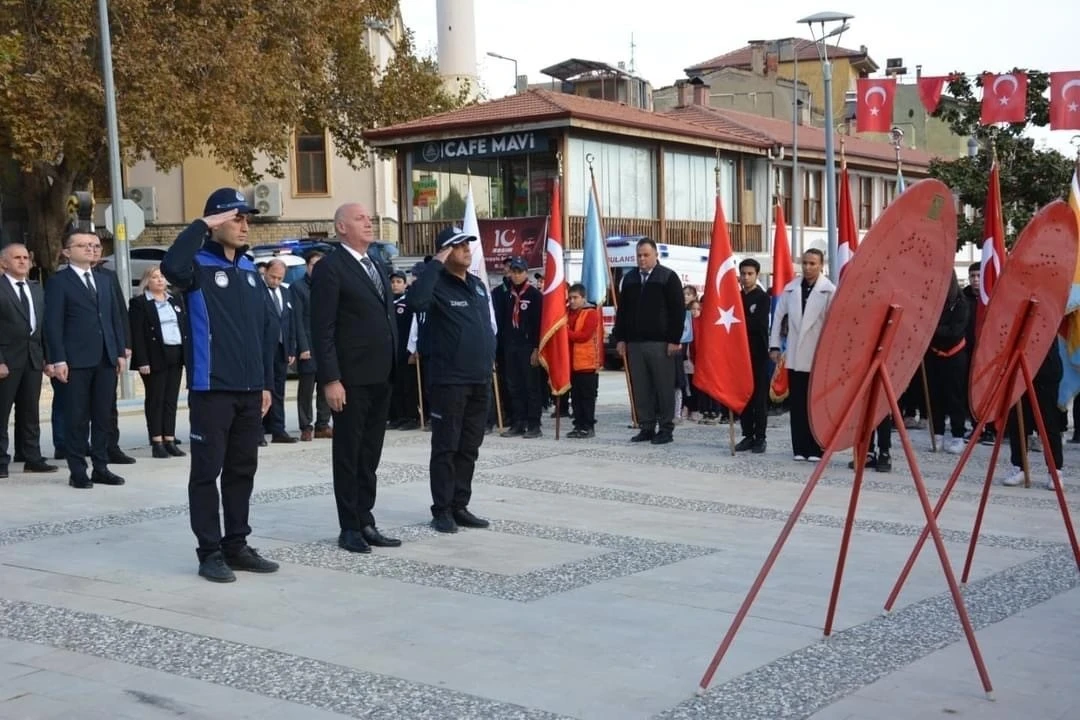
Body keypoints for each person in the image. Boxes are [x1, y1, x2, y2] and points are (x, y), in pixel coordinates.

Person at [162, 187, 279, 582]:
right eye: (237, 217)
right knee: (206, 471)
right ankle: (209, 551)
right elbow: (169, 268)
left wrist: (264, 383)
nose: (245, 225)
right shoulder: (195, 265)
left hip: (249, 389)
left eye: (247, 218)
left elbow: (262, 331)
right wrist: (200, 225)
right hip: (211, 388)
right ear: (216, 222)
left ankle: (236, 544)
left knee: (242, 469)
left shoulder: (249, 270)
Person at [311, 203, 401, 554]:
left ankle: (366, 519)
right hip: (350, 379)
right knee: (349, 454)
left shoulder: (376, 263)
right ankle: (349, 526)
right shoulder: (332, 268)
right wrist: (331, 378)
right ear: (341, 227)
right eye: (361, 219)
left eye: (369, 218)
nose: (369, 222)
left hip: (381, 375)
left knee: (370, 454)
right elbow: (323, 329)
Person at [407, 226, 496, 533]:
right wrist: (434, 264)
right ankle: (441, 509)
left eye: (467, 244)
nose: (466, 249)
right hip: (449, 380)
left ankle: (460, 504)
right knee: (446, 446)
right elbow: (415, 302)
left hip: (479, 378)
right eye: (458, 246)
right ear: (445, 252)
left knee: (470, 446)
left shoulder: (476, 284)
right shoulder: (435, 284)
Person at [44, 228, 128, 489]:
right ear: (67, 252)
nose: (92, 249)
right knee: (77, 417)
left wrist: (118, 351)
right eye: (84, 245)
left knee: (104, 415)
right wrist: (58, 359)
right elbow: (53, 324)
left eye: (94, 245)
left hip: (104, 358)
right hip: (75, 360)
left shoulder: (104, 280)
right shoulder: (59, 282)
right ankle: (77, 469)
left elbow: (113, 318)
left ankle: (101, 467)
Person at [611, 238, 685, 445]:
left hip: (660, 344)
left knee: (663, 387)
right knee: (641, 388)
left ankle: (666, 428)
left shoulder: (668, 277)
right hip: (635, 344)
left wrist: (674, 339)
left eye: (646, 255)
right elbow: (623, 312)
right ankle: (646, 426)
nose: (642, 259)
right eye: (639, 256)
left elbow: (678, 311)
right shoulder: (630, 278)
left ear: (655, 255)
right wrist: (621, 338)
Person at [769, 249, 835, 461]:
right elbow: (778, 319)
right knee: (797, 403)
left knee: (814, 404)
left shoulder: (829, 291)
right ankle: (799, 447)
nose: (807, 267)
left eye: (812, 264)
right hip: (796, 356)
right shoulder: (791, 289)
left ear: (821, 266)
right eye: (805, 263)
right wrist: (775, 346)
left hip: (817, 355)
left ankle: (816, 447)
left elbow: (834, 326)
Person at [0, 243, 57, 478]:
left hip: (33, 358)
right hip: (7, 360)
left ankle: (32, 456)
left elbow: (43, 326)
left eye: (26, 257)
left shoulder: (36, 289)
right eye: (17, 258)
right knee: (2, 412)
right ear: (4, 263)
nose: (23, 261)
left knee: (30, 412)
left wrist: (48, 358)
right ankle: (1, 460)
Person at [128, 266, 187, 459]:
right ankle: (157, 440)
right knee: (156, 399)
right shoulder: (140, 303)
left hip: (175, 352)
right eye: (154, 277)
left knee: (171, 400)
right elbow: (137, 334)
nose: (160, 280)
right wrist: (142, 360)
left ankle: (169, 438)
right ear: (147, 281)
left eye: (162, 276)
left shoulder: (174, 300)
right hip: (154, 356)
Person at [494, 256, 543, 438]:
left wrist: (537, 348)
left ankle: (534, 424)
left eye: (519, 272)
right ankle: (518, 422)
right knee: (513, 386)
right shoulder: (507, 294)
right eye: (513, 271)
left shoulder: (534, 295)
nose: (515, 275)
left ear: (526, 273)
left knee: (531, 386)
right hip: (511, 345)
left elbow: (539, 324)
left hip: (528, 346)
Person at [1002, 345, 1063, 489]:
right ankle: (1018, 466)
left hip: (1046, 366)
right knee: (1017, 420)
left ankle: (1055, 471)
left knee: (1049, 422)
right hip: (1019, 365)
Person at [925, 273, 969, 454]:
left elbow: (955, 331)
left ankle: (958, 435)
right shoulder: (931, 303)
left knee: (955, 396)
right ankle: (938, 434)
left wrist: (933, 329)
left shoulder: (961, 303)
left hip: (955, 356)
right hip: (934, 355)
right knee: (935, 396)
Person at [291, 250, 332, 441]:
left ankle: (322, 425)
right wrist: (303, 347)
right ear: (307, 266)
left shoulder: (327, 285)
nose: (317, 268)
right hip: (308, 345)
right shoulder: (298, 287)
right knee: (306, 390)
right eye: (313, 264)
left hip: (325, 346)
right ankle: (305, 426)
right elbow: (297, 320)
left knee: (326, 386)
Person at [261, 258, 300, 444]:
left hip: (282, 348)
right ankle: (257, 430)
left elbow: (290, 322)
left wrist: (291, 348)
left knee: (279, 390)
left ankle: (278, 429)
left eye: (279, 278)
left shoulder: (286, 292)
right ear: (265, 273)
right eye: (272, 277)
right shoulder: (257, 292)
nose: (275, 281)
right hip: (263, 350)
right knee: (262, 389)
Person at [736, 258, 770, 454]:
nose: (746, 278)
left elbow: (758, 324)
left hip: (758, 354)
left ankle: (760, 437)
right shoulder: (736, 297)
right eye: (743, 274)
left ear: (757, 275)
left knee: (759, 398)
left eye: (750, 274)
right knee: (744, 397)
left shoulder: (762, 298)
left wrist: (739, 320)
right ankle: (747, 434)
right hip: (740, 355)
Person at [566, 283, 602, 438]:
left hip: (587, 363)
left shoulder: (591, 313)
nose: (572, 301)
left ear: (583, 298)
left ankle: (588, 426)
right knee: (575, 397)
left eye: (575, 298)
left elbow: (584, 336)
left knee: (587, 397)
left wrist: (564, 333)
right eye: (570, 298)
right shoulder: (566, 313)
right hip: (571, 364)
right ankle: (578, 425)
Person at [389, 270, 420, 431]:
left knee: (408, 385)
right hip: (391, 352)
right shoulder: (387, 302)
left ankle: (411, 416)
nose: (395, 285)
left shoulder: (409, 303)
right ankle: (398, 416)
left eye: (398, 282)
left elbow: (414, 328)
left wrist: (413, 350)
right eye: (393, 282)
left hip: (405, 350)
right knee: (395, 386)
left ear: (405, 284)